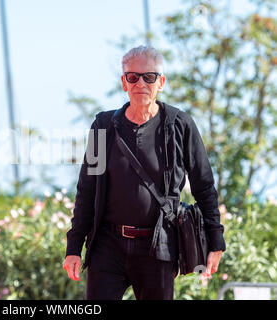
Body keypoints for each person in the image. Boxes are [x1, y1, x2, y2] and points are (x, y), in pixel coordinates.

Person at [63, 45, 226, 300]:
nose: (141, 83)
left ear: (160, 82)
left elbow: (204, 185)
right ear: (124, 82)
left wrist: (216, 242)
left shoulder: (181, 125)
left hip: (159, 246)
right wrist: (73, 247)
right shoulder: (102, 127)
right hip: (108, 245)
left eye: (149, 77)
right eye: (133, 76)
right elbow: (87, 189)